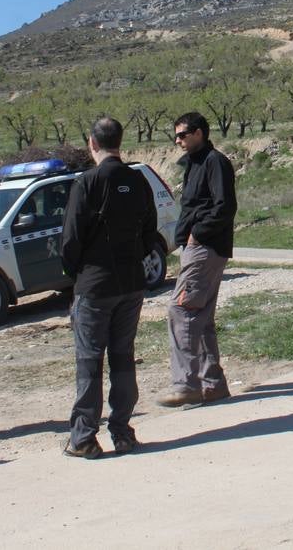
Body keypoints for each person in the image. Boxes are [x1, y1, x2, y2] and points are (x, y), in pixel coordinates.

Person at [60, 116, 158, 459]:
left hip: (95, 285)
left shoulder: (86, 183)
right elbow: (151, 232)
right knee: (123, 358)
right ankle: (123, 432)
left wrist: (75, 275)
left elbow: (70, 240)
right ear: (120, 141)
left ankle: (84, 437)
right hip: (131, 284)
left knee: (89, 361)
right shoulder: (138, 180)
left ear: (92, 143)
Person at [158, 112, 238, 408]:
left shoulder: (214, 161)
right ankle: (212, 384)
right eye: (175, 135)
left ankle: (186, 385)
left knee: (182, 311)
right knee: (200, 317)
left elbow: (225, 206)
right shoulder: (195, 163)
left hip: (205, 247)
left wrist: (197, 234)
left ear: (200, 133)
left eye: (183, 134)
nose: (178, 140)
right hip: (201, 247)